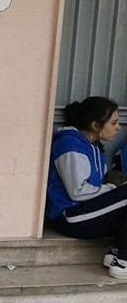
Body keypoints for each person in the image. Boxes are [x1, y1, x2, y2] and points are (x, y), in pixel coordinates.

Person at [46, 97, 127, 278]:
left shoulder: (93, 147)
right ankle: (123, 263)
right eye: (113, 123)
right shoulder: (69, 143)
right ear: (95, 125)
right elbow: (77, 191)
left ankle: (117, 254)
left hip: (87, 211)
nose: (118, 127)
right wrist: (112, 189)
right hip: (70, 216)